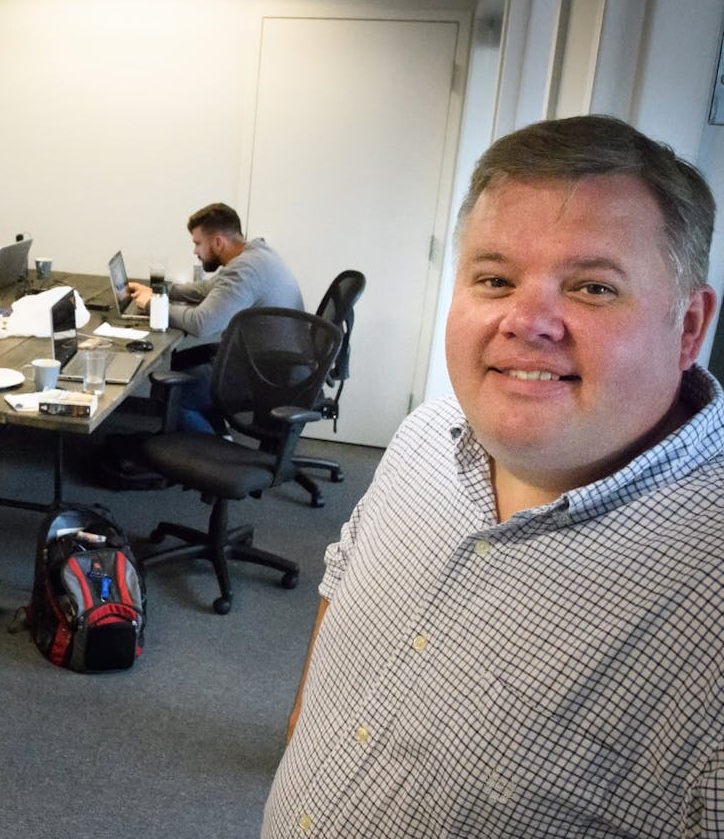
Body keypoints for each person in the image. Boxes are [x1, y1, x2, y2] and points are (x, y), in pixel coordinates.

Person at [262, 115, 723, 837]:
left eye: (594, 288)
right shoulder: (423, 438)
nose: (526, 319)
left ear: (689, 327)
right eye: (495, 278)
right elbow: (340, 583)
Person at [133, 203, 303, 432]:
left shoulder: (245, 271)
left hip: (267, 376)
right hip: (276, 364)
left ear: (218, 242)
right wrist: (160, 291)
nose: (195, 251)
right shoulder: (255, 254)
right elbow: (206, 288)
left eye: (197, 243)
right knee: (183, 362)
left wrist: (155, 306)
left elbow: (202, 323)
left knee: (172, 391)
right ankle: (219, 437)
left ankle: (210, 452)